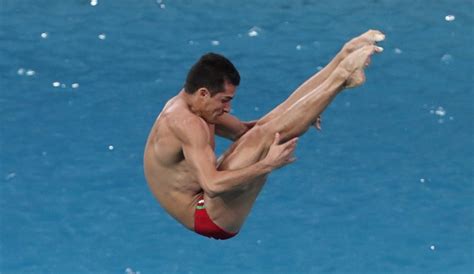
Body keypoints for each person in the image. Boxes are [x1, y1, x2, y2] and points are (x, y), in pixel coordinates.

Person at [144, 30, 385, 240]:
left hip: (207, 196)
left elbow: (245, 131)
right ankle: (342, 77)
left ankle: (341, 58)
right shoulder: (185, 123)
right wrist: (268, 164)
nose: (227, 108)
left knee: (267, 128)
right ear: (204, 93)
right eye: (224, 100)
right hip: (205, 215)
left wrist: (305, 111)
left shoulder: (199, 105)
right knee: (267, 135)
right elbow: (213, 185)